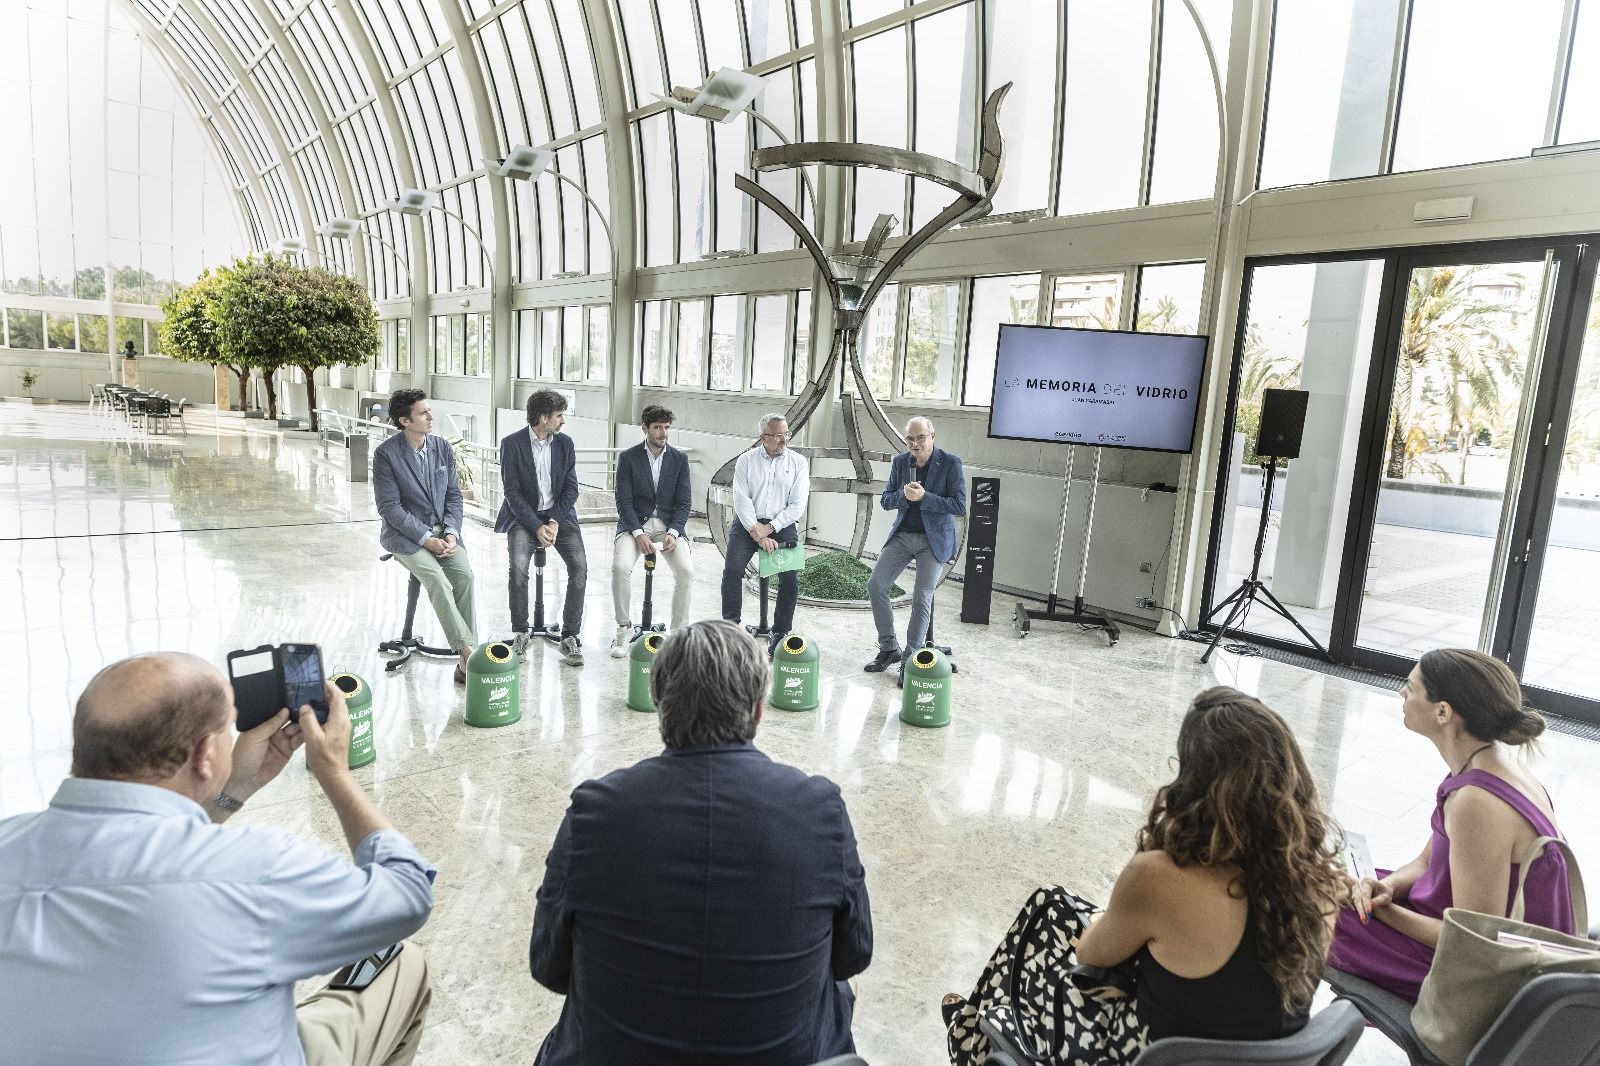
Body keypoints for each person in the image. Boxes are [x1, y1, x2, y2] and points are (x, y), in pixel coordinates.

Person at [0, 652, 436, 1066]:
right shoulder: (256, 871)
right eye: (229, 728)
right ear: (206, 754)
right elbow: (407, 893)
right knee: (401, 965)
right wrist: (334, 773)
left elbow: (152, 862)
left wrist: (230, 794)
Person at [529, 620, 872, 1065]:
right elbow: (853, 955)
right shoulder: (820, 810)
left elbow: (549, 966)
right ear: (759, 710)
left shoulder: (595, 813)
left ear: (659, 703)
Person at [945, 688, 1346, 1065]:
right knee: (1051, 905)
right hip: (1250, 1055)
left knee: (1051, 928)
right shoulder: (1324, 882)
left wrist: (1116, 908)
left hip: (1146, 1052)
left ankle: (975, 1036)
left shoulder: (1162, 876)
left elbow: (1090, 955)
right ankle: (973, 1022)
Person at [1328, 648, 1575, 1001]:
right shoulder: (1485, 764)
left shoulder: (1478, 801)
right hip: (1467, 934)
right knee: (1327, 882)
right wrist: (1389, 886)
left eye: (1410, 688)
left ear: (1443, 712)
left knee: (1299, 909)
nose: (1401, 693)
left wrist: (1385, 912)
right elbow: (1427, 862)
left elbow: (1471, 940)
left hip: (1485, 976)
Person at [373, 388, 477, 683]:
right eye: (423, 413)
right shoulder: (386, 455)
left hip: (446, 534)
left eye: (428, 410)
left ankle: (465, 663)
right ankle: (469, 652)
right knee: (437, 580)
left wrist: (453, 533)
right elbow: (390, 508)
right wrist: (426, 539)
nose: (430, 416)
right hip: (406, 537)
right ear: (405, 421)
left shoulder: (442, 447)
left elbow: (454, 497)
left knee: (465, 578)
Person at [864, 416, 966, 677]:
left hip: (933, 541)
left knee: (921, 596)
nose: (915, 443)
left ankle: (910, 660)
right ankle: (889, 648)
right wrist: (903, 496)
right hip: (903, 536)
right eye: (910, 438)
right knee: (876, 585)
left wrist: (925, 497)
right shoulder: (900, 462)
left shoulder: (950, 463)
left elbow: (959, 506)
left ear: (933, 436)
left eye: (921, 437)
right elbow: (886, 501)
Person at [497, 390, 587, 666]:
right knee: (518, 569)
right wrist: (536, 526)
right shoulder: (511, 444)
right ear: (543, 417)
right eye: (559, 415)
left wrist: (553, 522)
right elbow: (512, 493)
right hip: (523, 517)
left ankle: (569, 636)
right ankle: (520, 632)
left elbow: (571, 488)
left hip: (559, 516)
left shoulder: (565, 444)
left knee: (579, 567)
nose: (563, 421)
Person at [610, 404, 694, 657]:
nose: (663, 432)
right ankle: (624, 628)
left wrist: (675, 532)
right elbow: (623, 501)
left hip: (668, 527)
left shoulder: (679, 459)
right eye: (657, 427)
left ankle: (678, 635)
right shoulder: (628, 457)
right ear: (645, 428)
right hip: (635, 525)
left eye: (666, 427)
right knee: (620, 567)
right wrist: (638, 533)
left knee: (687, 571)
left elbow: (685, 502)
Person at [722, 412, 809, 655]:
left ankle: (780, 632)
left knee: (790, 579)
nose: (784, 440)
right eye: (779, 435)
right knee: (732, 571)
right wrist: (758, 534)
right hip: (748, 524)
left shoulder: (799, 463)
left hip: (782, 524)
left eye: (787, 434)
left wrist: (770, 529)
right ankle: (730, 629)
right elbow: (741, 499)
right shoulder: (746, 461)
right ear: (763, 437)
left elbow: (797, 506)